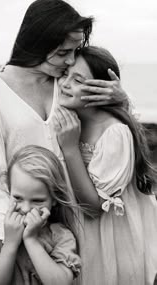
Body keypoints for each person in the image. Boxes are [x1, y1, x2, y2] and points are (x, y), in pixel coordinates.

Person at [0, 0, 128, 241]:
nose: (70, 61)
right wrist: (10, 236)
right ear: (37, 44)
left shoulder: (65, 83)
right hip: (26, 226)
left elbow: (107, 127)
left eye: (74, 51)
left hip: (79, 223)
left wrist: (121, 99)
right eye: (63, 52)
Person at [54, 46, 157, 285]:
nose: (65, 84)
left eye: (78, 79)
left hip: (108, 240)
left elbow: (94, 207)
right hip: (76, 230)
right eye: (64, 73)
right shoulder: (69, 117)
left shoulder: (114, 133)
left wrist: (70, 148)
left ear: (101, 89)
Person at [0, 145, 81, 285]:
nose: (25, 208)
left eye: (37, 201)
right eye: (17, 198)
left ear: (54, 199)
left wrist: (31, 239)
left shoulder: (60, 235)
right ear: (8, 190)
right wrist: (10, 244)